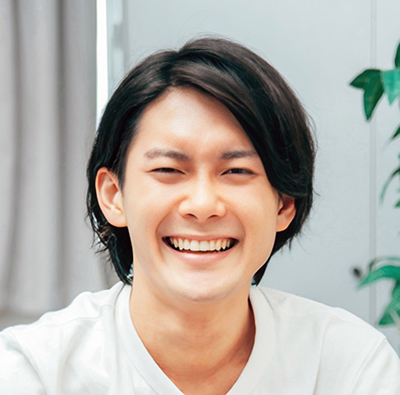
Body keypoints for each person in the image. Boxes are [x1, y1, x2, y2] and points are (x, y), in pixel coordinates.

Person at [1, 37, 399, 394]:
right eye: (168, 170)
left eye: (236, 171)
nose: (203, 205)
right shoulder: (36, 371)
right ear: (113, 195)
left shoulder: (350, 367)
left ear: (284, 204)